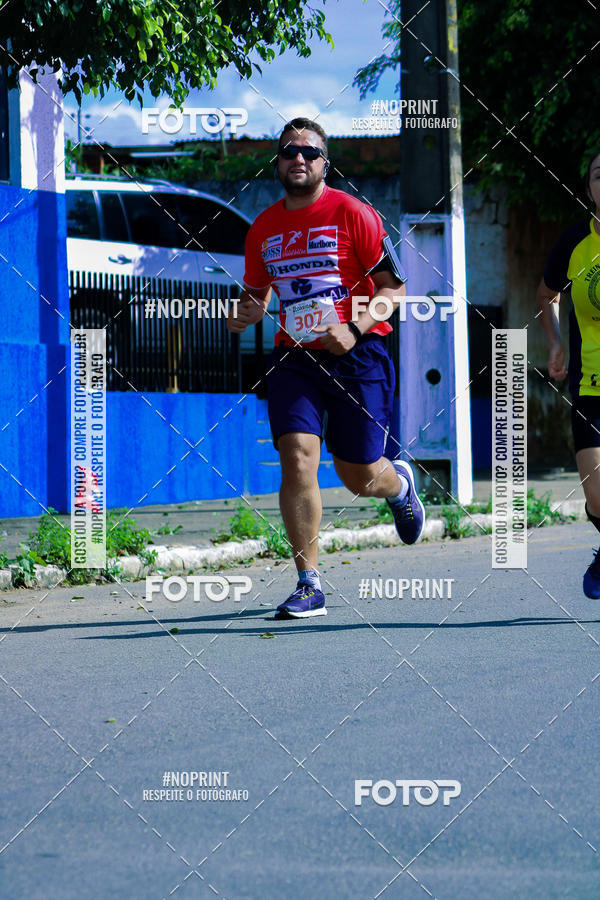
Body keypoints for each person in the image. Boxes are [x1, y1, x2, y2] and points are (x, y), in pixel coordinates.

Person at [227, 117, 425, 618]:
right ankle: (308, 581)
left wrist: (354, 329)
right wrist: (247, 309)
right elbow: (258, 291)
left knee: (357, 474)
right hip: (294, 357)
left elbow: (393, 290)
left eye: (309, 152)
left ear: (324, 162)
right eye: (289, 151)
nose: (299, 158)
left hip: (358, 356)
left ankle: (398, 486)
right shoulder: (264, 228)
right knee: (296, 458)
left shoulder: (353, 213)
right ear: (277, 162)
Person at [537, 148, 600, 597]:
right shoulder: (576, 242)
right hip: (590, 384)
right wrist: (556, 343)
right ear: (589, 187)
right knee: (597, 496)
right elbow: (547, 295)